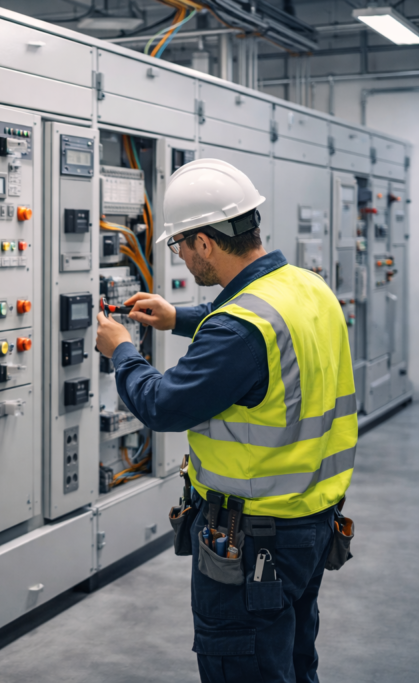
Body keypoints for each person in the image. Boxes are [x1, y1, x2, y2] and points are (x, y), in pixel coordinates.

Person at [95, 158, 357, 683]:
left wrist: (121, 350)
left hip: (256, 543)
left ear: (206, 243)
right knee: (294, 664)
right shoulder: (309, 288)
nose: (183, 257)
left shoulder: (241, 328)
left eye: (180, 246)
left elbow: (163, 404)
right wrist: (179, 317)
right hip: (312, 525)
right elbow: (250, 338)